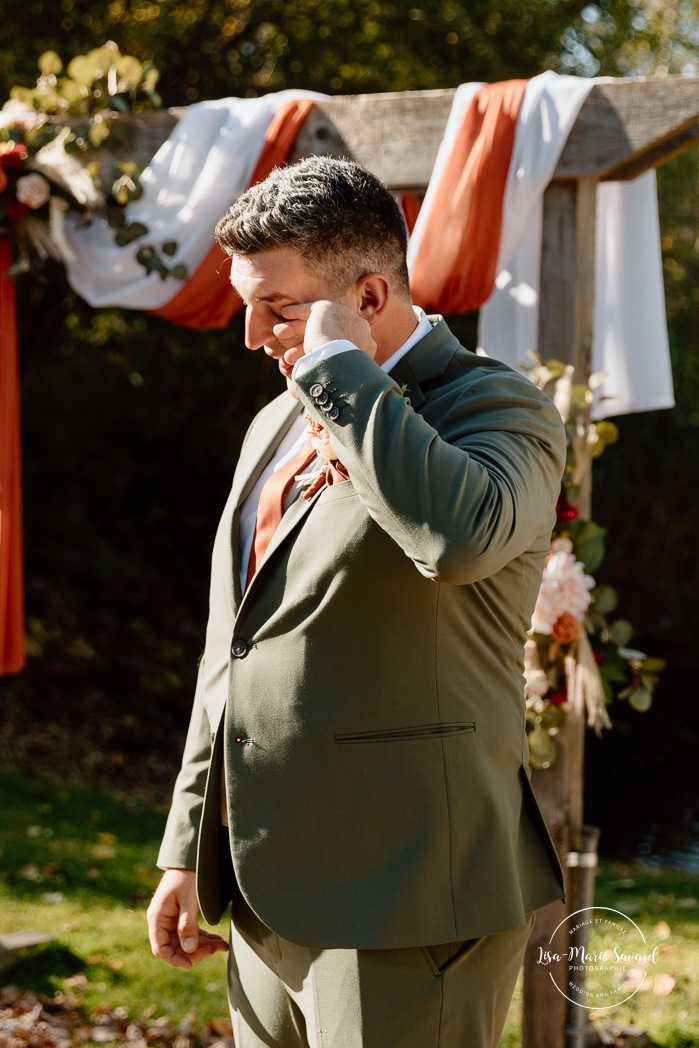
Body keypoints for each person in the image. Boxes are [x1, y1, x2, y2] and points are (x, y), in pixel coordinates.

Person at [147, 156, 567, 1048]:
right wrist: (189, 845)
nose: (253, 335)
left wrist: (343, 374)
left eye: (281, 309)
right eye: (245, 304)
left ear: (367, 299)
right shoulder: (272, 421)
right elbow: (235, 645)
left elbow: (458, 540)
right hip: (264, 888)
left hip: (408, 897)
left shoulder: (497, 407)